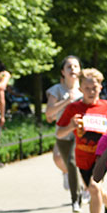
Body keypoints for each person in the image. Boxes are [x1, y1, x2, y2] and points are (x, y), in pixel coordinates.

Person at [57, 67, 107, 213]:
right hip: (82, 157)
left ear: (100, 87)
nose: (91, 91)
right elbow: (59, 133)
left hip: (102, 156)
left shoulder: (106, 105)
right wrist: (71, 126)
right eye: (87, 88)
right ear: (80, 88)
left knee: (94, 187)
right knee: (95, 189)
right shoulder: (73, 108)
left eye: (94, 88)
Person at [45, 56, 82, 194]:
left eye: (75, 66)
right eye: (69, 67)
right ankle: (67, 172)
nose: (72, 69)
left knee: (82, 160)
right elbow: (49, 112)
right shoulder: (57, 90)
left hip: (81, 130)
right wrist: (66, 101)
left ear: (80, 70)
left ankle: (85, 188)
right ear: (63, 72)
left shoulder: (84, 88)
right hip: (64, 130)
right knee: (58, 157)